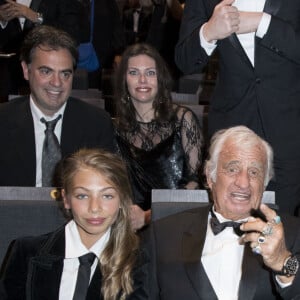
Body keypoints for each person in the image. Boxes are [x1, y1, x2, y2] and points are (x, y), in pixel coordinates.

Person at [174, 0, 300, 216]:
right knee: (231, 228)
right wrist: (209, 31)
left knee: (282, 230)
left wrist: (262, 23)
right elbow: (185, 60)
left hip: (289, 132)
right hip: (231, 129)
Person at [148, 126, 300, 299]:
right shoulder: (163, 234)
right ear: (210, 176)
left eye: (254, 172)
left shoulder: (293, 234)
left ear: (264, 185)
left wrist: (283, 261)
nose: (243, 183)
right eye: (232, 169)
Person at [0, 148, 149, 300]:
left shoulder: (139, 261)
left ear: (121, 200)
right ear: (66, 199)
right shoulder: (26, 253)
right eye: (82, 195)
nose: (95, 208)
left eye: (107, 196)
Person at [0, 25, 115, 187]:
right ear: (26, 70)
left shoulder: (97, 124)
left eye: (65, 74)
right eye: (46, 72)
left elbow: (106, 188)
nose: (57, 83)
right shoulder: (3, 121)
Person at [113, 43, 203, 230]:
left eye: (150, 73)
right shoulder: (114, 128)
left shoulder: (182, 119)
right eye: (134, 73)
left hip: (176, 223)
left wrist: (148, 216)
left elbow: (196, 184)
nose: (143, 80)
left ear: (160, 80)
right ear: (124, 80)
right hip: (128, 227)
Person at [0, 0, 88, 98]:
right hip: (9, 72)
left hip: (48, 72)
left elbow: (72, 33)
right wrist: (2, 20)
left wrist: (36, 17)